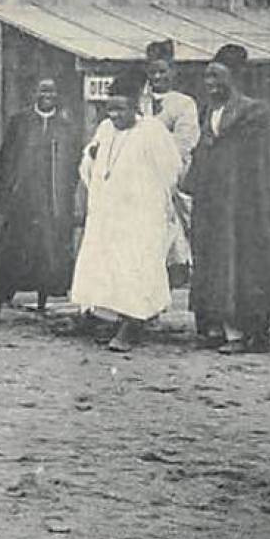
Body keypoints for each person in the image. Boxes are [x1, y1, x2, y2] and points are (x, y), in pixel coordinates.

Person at [183, 44, 270, 355]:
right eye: (207, 77)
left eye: (217, 76)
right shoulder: (209, 113)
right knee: (212, 262)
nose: (209, 84)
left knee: (242, 265)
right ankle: (216, 329)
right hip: (213, 205)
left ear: (234, 77)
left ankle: (244, 334)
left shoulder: (256, 114)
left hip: (245, 206)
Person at [68, 66, 182, 352]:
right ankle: (105, 317)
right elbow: (89, 166)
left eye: (121, 109)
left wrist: (150, 199)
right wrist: (92, 158)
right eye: (111, 110)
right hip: (108, 214)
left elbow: (170, 171)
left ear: (135, 107)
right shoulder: (105, 129)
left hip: (140, 215)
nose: (115, 115)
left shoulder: (152, 131)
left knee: (136, 267)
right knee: (106, 267)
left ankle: (133, 324)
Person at [0, 77, 82, 325]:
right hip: (22, 201)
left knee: (49, 255)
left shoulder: (67, 127)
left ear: (58, 95)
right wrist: (6, 198)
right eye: (42, 90)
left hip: (53, 203)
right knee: (10, 255)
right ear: (34, 93)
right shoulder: (20, 122)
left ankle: (43, 305)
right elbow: (6, 162)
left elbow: (74, 167)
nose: (47, 95)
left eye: (52, 91)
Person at [142, 39, 199, 283]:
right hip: (139, 174)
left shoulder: (183, 103)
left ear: (173, 72)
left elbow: (184, 141)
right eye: (153, 72)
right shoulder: (139, 100)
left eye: (162, 71)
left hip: (171, 174)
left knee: (173, 221)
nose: (157, 77)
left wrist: (161, 164)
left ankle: (177, 267)